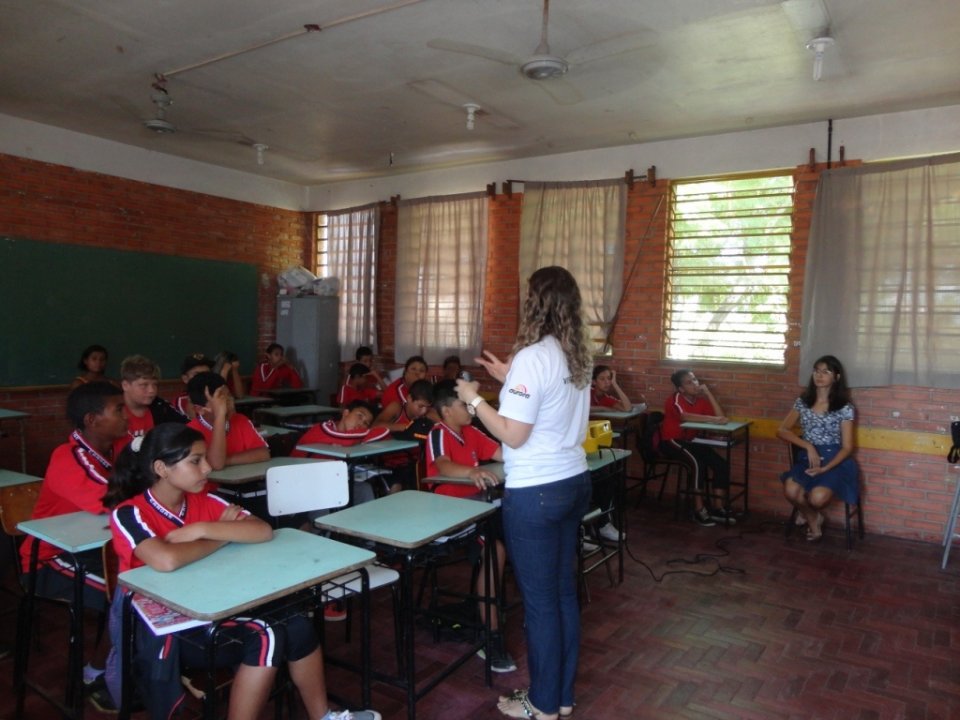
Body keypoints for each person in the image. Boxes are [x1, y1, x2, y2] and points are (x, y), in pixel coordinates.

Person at [102, 424, 381, 720]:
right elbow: (166, 559)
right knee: (267, 633)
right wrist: (225, 535)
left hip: (215, 605)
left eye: (205, 458)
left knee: (297, 623)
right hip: (167, 632)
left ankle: (323, 716)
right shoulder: (130, 512)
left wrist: (203, 529)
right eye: (195, 461)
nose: (208, 467)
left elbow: (261, 531)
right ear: (162, 468)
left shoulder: (203, 501)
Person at [455, 266, 592, 720]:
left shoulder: (535, 356)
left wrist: (475, 399)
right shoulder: (576, 356)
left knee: (540, 602)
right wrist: (510, 376)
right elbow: (545, 403)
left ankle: (542, 704)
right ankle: (561, 697)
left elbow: (512, 435)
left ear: (535, 303)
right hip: (572, 482)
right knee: (562, 594)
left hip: (536, 492)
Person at [19, 381, 127, 705]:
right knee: (129, 595)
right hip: (50, 559)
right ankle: (95, 671)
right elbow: (108, 500)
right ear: (92, 420)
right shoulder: (67, 457)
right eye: (118, 410)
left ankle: (132, 659)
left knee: (147, 580)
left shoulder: (112, 451)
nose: (127, 417)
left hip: (94, 547)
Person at [424, 382, 515, 674]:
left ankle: (498, 609)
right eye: (465, 405)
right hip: (450, 517)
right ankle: (491, 634)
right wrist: (472, 471)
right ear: (447, 410)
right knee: (494, 549)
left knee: (519, 531)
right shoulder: (438, 433)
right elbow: (443, 467)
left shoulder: (472, 432)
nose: (470, 409)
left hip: (478, 508)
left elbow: (503, 454)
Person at [777, 354, 860, 542]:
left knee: (817, 499)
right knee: (790, 491)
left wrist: (825, 468)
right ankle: (813, 518)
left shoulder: (844, 407)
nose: (819, 375)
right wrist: (807, 445)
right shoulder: (803, 401)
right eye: (816, 371)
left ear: (836, 377)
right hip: (809, 457)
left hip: (835, 460)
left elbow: (847, 448)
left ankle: (808, 513)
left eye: (826, 372)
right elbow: (781, 430)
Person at [659, 369, 733, 527]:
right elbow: (684, 416)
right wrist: (713, 420)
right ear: (681, 389)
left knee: (720, 464)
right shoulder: (675, 399)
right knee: (697, 463)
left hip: (690, 441)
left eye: (695, 380)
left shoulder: (701, 401)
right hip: (672, 441)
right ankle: (699, 510)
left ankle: (718, 507)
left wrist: (709, 394)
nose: (695, 384)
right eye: (689, 382)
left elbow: (721, 417)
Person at [291, 400, 391, 505]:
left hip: (328, 481)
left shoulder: (353, 438)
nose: (361, 423)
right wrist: (367, 434)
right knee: (324, 496)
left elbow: (384, 434)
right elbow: (349, 438)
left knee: (364, 490)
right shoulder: (324, 428)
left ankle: (366, 521)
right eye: (360, 416)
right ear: (346, 413)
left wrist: (364, 436)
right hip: (300, 483)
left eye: (366, 423)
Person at [185, 371, 270, 471]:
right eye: (221, 400)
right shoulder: (190, 432)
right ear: (200, 410)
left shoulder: (240, 420)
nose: (229, 403)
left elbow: (263, 453)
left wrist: (226, 460)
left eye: (229, 396)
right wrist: (220, 415)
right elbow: (217, 465)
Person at [113, 354, 186, 457]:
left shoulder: (161, 407)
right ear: (125, 385)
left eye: (155, 384)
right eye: (144, 385)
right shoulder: (112, 412)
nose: (152, 390)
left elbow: (186, 427)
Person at [374, 378, 435, 493]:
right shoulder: (397, 408)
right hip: (392, 464)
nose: (423, 411)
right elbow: (375, 426)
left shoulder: (427, 415)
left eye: (427, 407)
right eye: (420, 406)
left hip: (415, 464)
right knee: (396, 487)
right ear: (409, 398)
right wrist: (405, 428)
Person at [173, 353, 213, 419]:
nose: (203, 378)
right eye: (197, 375)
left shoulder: (217, 396)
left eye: (207, 373)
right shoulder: (181, 401)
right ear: (185, 379)